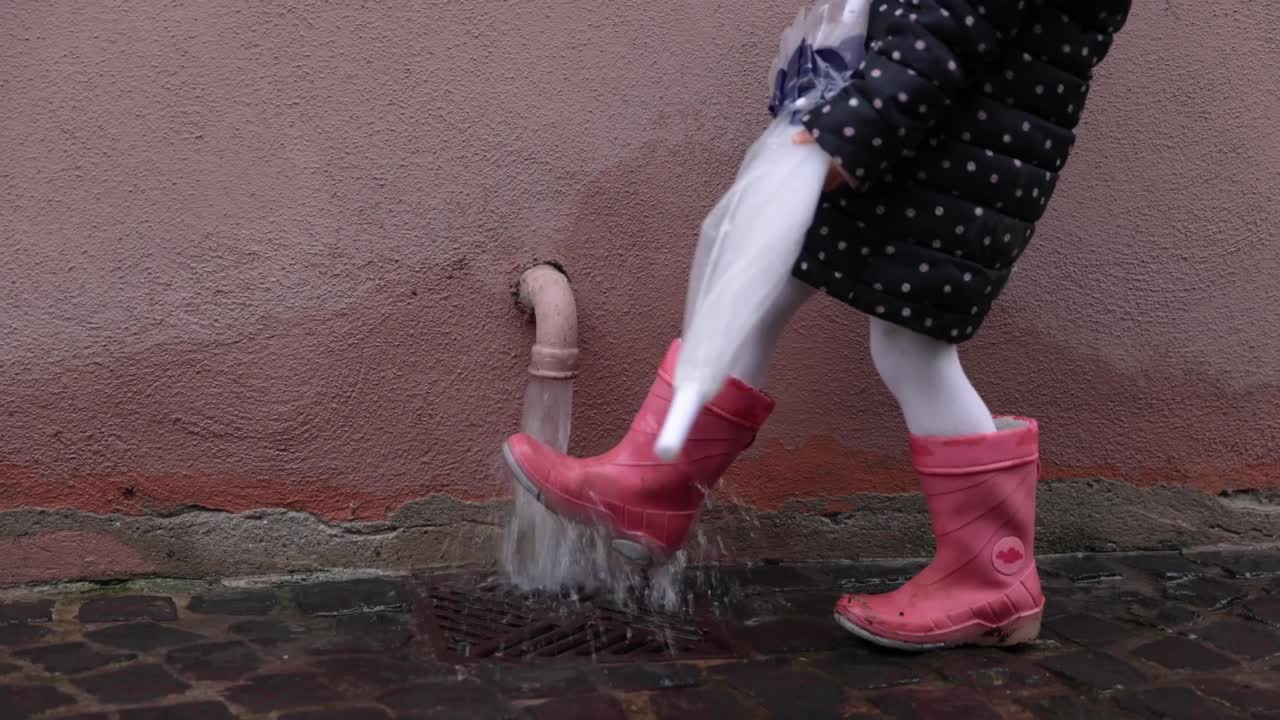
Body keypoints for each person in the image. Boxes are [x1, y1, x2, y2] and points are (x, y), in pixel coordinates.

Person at [502, 0, 1132, 650]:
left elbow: (946, 26)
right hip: (923, 135)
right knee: (764, 274)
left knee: (911, 348)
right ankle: (654, 482)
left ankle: (993, 575)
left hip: (950, 152)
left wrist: (854, 130)